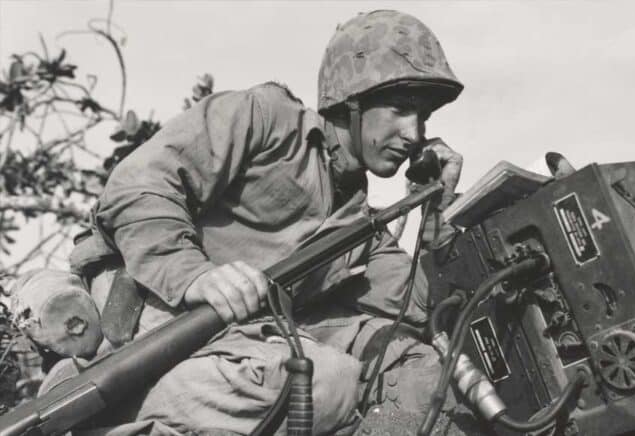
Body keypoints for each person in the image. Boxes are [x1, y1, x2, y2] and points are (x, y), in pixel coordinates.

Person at [53, 9, 469, 436]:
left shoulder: (359, 222)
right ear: (352, 99)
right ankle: (93, 410)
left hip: (235, 353)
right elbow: (139, 184)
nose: (415, 134)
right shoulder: (267, 119)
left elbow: (421, 311)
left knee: (404, 362)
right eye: (401, 109)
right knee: (322, 380)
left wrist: (434, 210)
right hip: (154, 322)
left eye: (424, 118)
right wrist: (194, 275)